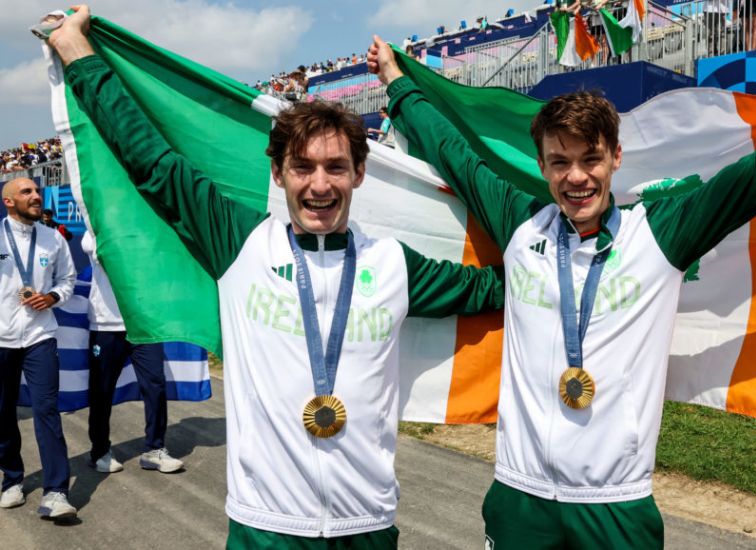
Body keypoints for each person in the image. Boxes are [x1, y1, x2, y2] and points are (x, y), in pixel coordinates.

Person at [368, 18, 756, 548]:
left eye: (590, 159)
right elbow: (451, 150)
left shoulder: (661, 235)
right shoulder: (521, 226)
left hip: (616, 506)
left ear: (615, 159)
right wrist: (397, 82)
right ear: (544, 164)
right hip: (520, 496)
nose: (575, 177)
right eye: (559, 161)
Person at [49, 7, 505, 547]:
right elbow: (153, 162)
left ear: (359, 173)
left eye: (336, 167)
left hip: (368, 526)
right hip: (266, 526)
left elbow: (495, 286)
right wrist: (78, 53)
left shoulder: (391, 262)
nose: (319, 185)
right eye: (302, 167)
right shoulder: (238, 242)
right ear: (278, 173)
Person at [0, 178, 77, 519]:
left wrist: (54, 297)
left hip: (39, 336)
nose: (35, 196)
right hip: (1, 338)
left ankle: (56, 492)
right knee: (3, 414)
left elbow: (68, 280)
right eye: (26, 192)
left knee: (46, 410)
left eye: (36, 190)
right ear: (9, 202)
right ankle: (12, 480)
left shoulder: (53, 237)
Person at [80, 231, 183, 475]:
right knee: (102, 390)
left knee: (155, 384)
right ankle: (100, 451)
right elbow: (102, 252)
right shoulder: (95, 230)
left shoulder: (141, 227)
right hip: (106, 323)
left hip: (143, 322)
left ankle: (154, 449)